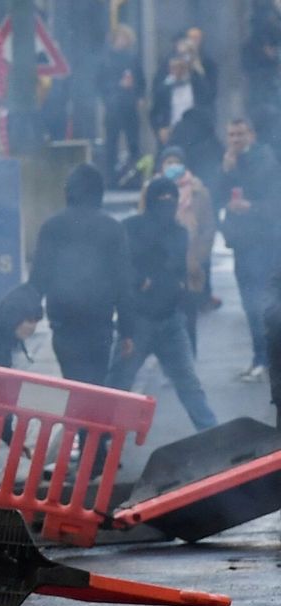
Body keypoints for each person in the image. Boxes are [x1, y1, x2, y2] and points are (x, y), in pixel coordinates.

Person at [106, 176, 217, 432]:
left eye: (171, 200)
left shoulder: (179, 232)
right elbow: (119, 267)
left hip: (170, 321)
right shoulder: (129, 228)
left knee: (189, 385)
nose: (166, 205)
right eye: (161, 200)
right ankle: (98, 444)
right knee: (117, 386)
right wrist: (139, 280)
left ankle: (214, 437)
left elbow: (176, 272)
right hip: (137, 322)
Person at [28, 163, 129, 387]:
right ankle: (90, 422)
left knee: (74, 384)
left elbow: (38, 277)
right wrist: (128, 330)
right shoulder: (113, 228)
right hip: (99, 323)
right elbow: (123, 282)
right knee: (96, 386)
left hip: (64, 324)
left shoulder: (52, 227)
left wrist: (28, 315)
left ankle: (80, 422)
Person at [220, 117, 281, 381]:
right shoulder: (230, 162)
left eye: (240, 134)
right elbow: (221, 195)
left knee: (261, 303)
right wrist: (226, 172)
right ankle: (260, 357)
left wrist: (250, 208)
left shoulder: (264, 160)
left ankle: (264, 358)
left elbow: (273, 202)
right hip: (242, 243)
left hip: (262, 242)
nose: (235, 140)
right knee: (249, 303)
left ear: (251, 135)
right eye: (231, 135)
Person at [156, 145, 216, 348]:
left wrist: (199, 259)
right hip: (162, 267)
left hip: (190, 268)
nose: (173, 166)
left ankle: (188, 364)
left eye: (176, 162)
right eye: (168, 162)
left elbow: (208, 229)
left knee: (188, 319)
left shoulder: (199, 192)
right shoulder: (153, 190)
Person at [97, 25, 145, 185]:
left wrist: (139, 96)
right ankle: (110, 179)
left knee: (133, 143)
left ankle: (135, 177)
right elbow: (101, 84)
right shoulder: (106, 59)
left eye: (125, 38)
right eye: (120, 38)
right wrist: (118, 86)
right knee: (111, 144)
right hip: (113, 107)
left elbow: (141, 79)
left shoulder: (132, 58)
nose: (122, 41)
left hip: (129, 106)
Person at [150, 53, 211, 149]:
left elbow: (207, 103)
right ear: (170, 70)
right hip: (171, 133)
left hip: (194, 132)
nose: (178, 71)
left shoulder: (196, 86)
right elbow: (153, 114)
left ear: (186, 68)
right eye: (174, 68)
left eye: (181, 67)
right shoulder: (163, 90)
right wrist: (159, 129)